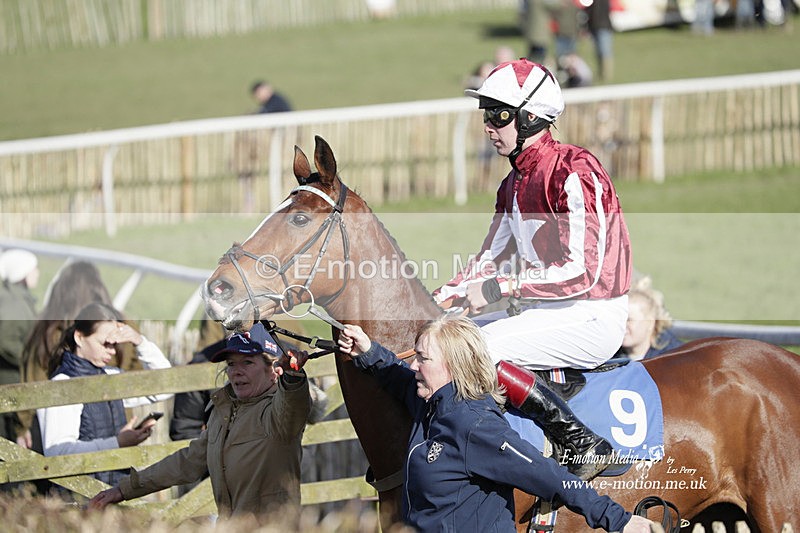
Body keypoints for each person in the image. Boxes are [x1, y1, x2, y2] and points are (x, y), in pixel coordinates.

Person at [435, 59, 632, 479]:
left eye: (499, 115)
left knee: (478, 350)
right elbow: (489, 259)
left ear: (530, 117)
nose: (489, 126)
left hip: (594, 312)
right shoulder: (512, 184)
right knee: (448, 334)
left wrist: (498, 289)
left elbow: (585, 271)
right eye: (487, 114)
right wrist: (434, 302)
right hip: (545, 310)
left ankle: (582, 443)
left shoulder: (574, 171)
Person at [337, 317, 652, 533]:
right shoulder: (429, 402)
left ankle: (578, 438)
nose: (414, 365)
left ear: (454, 366)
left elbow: (552, 477)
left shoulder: (476, 427)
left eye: (423, 359)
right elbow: (398, 376)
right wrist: (368, 350)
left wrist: (620, 521)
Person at [89, 322, 312, 527]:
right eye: (231, 363)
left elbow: (293, 406)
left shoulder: (277, 414)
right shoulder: (224, 411)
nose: (236, 371)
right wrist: (124, 489)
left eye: (248, 362)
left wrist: (292, 378)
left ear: (272, 370)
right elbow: (188, 461)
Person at [36, 302, 172, 486]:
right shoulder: (61, 384)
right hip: (77, 497)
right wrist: (117, 443)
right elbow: (58, 452)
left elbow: (166, 386)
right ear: (79, 337)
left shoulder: (111, 375)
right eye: (105, 343)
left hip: (114, 488)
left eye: (114, 344)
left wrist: (140, 342)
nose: (112, 351)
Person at [18, 261, 144, 449]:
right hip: (116, 424)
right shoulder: (121, 326)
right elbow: (139, 374)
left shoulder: (47, 330)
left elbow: (31, 381)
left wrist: (23, 427)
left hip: (60, 429)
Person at [0, 249, 39, 472]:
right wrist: (29, 360)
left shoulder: (16, 297)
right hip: (11, 380)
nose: (37, 273)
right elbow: (6, 340)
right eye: (34, 268)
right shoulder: (13, 301)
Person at [616, 276, 683, 361]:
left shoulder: (675, 357)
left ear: (650, 322)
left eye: (629, 320)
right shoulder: (607, 354)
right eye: (619, 319)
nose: (622, 325)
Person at [584, 0, 615, 81]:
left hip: (603, 27)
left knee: (605, 52)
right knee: (598, 52)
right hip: (594, 27)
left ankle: (606, 75)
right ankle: (601, 74)